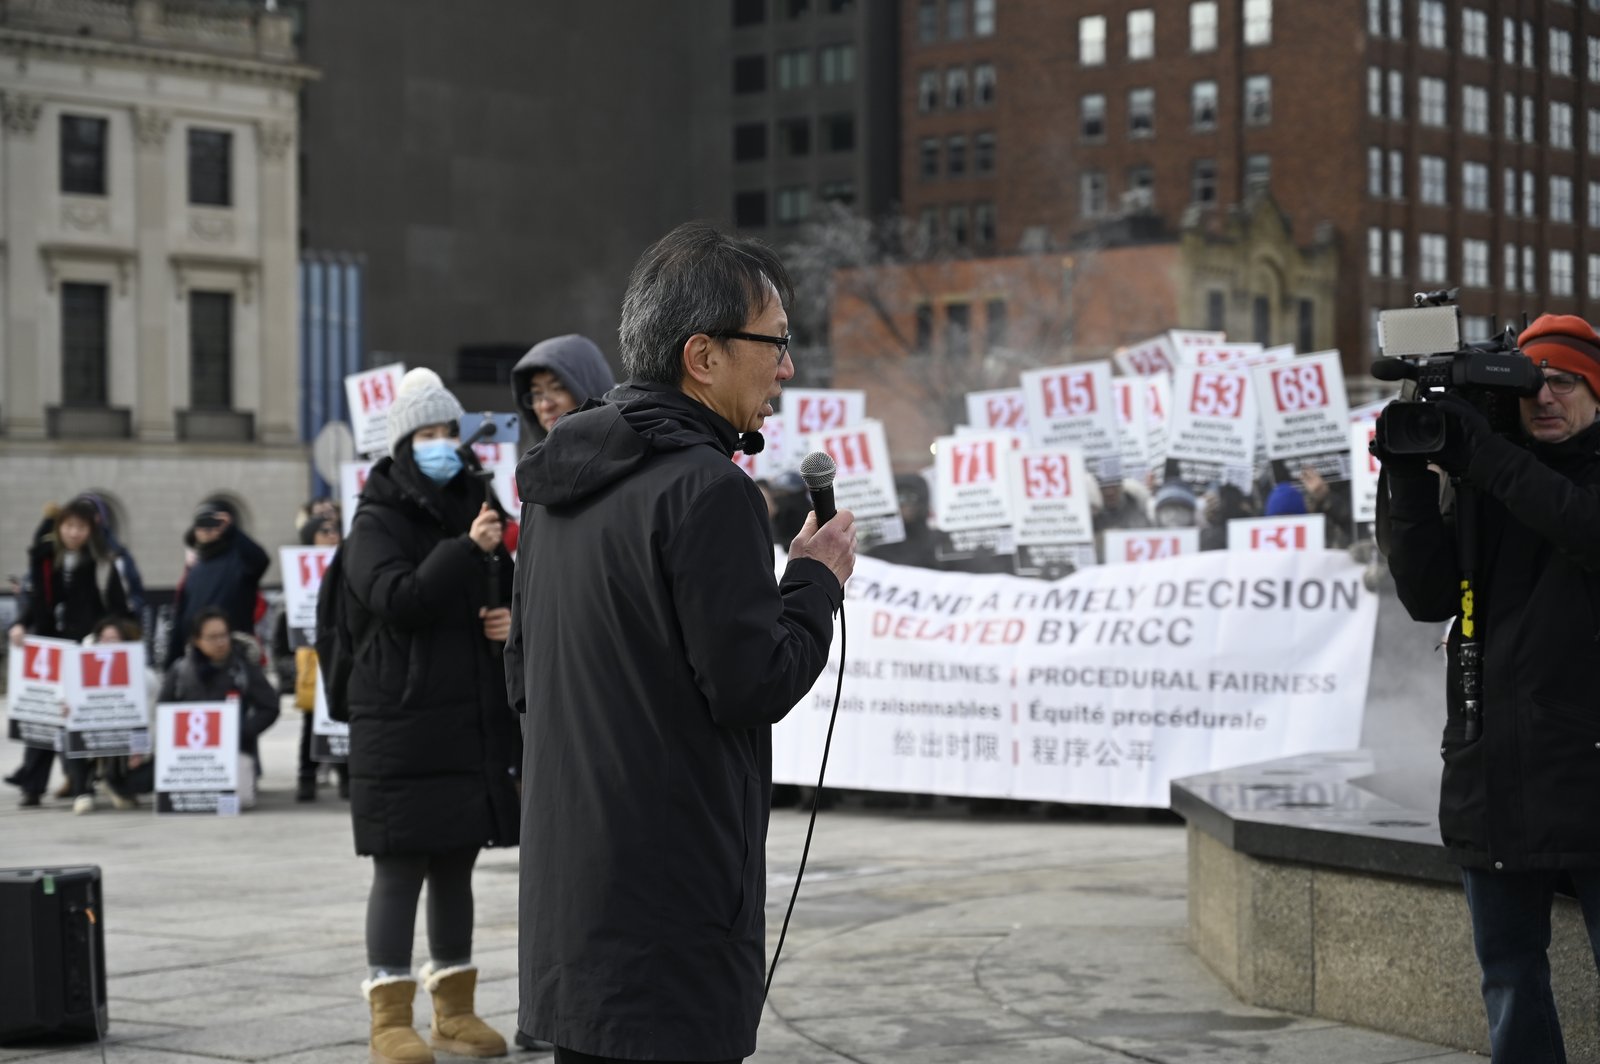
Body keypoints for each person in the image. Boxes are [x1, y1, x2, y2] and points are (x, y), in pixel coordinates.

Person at [507, 221, 856, 1064]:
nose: (787, 367)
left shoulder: (553, 492)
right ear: (702, 356)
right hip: (673, 911)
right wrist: (814, 581)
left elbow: (521, 677)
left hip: (572, 908)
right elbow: (751, 683)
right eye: (774, 342)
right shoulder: (708, 492)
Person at [1379, 313, 1600, 1063]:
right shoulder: (1489, 479)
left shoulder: (1518, 474)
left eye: (1565, 383)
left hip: (1591, 773)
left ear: (1598, 396)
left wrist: (1481, 453)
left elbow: (1580, 526)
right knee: (1509, 983)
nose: (1546, 397)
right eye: (1533, 383)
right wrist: (1405, 477)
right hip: (1492, 772)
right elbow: (1427, 593)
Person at [337, 366, 520, 1063]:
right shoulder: (376, 519)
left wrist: (508, 615)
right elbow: (398, 599)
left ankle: (456, 1011)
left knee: (456, 862)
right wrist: (465, 550)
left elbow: (500, 583)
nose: (443, 443)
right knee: (401, 865)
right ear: (402, 444)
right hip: (402, 718)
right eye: (428, 434)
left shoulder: (480, 505)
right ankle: (389, 1015)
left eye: (450, 431)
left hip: (468, 716)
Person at [4, 498, 134, 809]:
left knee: (79, 719)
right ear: (59, 528)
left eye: (81, 527)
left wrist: (109, 637)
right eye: (69, 526)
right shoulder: (46, 559)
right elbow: (35, 599)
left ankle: (82, 781)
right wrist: (21, 624)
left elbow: (118, 608)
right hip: (50, 647)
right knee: (42, 715)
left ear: (91, 529)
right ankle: (32, 784)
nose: (74, 533)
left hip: (87, 648)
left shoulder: (103, 563)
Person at [158, 607, 279, 809]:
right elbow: (163, 711)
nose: (221, 642)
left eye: (224, 636)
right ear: (197, 640)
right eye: (212, 637)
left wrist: (243, 731)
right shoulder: (180, 670)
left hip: (234, 751)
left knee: (242, 800)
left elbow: (270, 707)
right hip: (189, 756)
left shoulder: (243, 668)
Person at [271, 513, 348, 803]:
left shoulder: (349, 566)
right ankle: (306, 777)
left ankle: (346, 777)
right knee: (311, 719)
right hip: (309, 660)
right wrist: (289, 668)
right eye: (325, 531)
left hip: (339, 652)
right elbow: (282, 631)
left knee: (341, 716)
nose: (332, 536)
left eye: (336, 530)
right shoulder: (296, 578)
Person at [166, 498, 269, 667]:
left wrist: (231, 530)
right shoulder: (194, 570)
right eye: (202, 523)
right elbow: (181, 617)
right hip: (198, 655)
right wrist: (172, 662)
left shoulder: (239, 562)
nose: (207, 529)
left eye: (213, 523)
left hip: (234, 652)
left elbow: (260, 560)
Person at [510, 333, 617, 442]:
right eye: (537, 393)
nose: (545, 405)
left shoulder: (629, 450)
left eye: (557, 388)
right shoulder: (536, 458)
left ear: (590, 386)